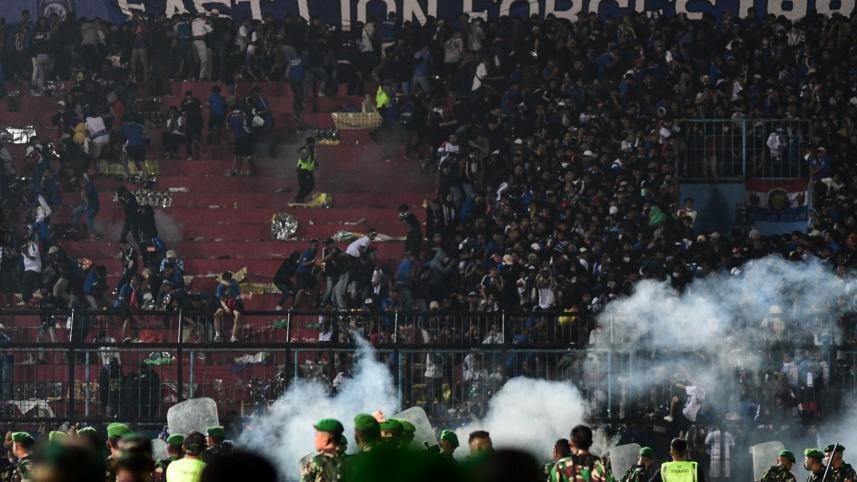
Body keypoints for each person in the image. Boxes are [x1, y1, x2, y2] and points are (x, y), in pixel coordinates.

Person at [213, 272, 243, 342]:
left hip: (236, 302)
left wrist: (220, 280)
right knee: (216, 315)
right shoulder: (220, 287)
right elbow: (221, 299)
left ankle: (234, 336)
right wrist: (226, 307)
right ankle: (217, 335)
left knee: (237, 315)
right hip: (225, 303)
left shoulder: (234, 283)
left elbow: (230, 285)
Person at [71, 174, 102, 240]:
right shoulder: (86, 186)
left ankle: (98, 235)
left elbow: (87, 199)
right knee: (75, 211)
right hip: (87, 206)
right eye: (81, 181)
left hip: (93, 207)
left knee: (89, 222)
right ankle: (76, 228)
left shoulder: (90, 187)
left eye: (82, 181)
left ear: (85, 180)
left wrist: (83, 197)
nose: (81, 182)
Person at [295, 137, 318, 203]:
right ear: (309, 143)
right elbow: (303, 159)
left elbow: (314, 158)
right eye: (313, 143)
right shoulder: (304, 150)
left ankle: (301, 198)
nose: (314, 144)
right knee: (303, 185)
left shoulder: (314, 150)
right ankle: (299, 199)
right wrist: (307, 152)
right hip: (302, 170)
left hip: (309, 171)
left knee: (311, 185)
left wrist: (316, 163)